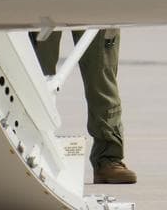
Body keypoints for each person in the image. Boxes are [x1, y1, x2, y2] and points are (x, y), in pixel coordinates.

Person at [32, 28, 138, 184]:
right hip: (46, 4)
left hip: (95, 5)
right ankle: (29, 147)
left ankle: (107, 158)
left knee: (102, 75)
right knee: (35, 72)